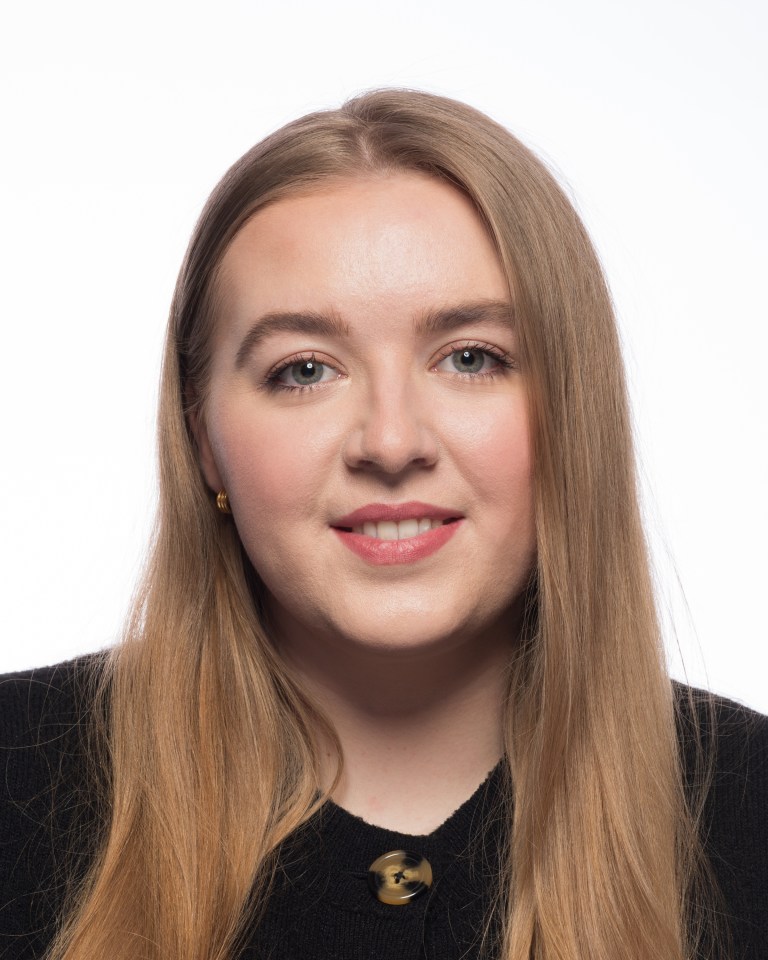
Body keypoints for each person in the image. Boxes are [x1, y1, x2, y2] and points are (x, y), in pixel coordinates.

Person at [1, 89, 766, 960]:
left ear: (574, 413)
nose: (391, 441)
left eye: (472, 357)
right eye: (303, 371)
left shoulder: (747, 810)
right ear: (201, 440)